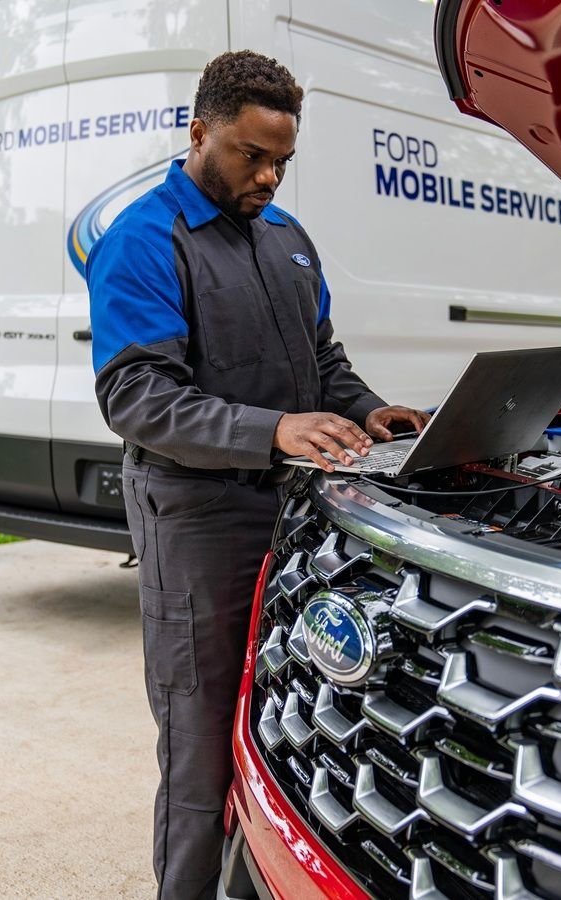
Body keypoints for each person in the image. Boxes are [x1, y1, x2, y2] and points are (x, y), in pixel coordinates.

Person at [85, 50, 428, 900]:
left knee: (290, 724)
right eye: (252, 155)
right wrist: (274, 430)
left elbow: (324, 361)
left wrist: (371, 411)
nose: (270, 176)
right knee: (202, 749)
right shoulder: (143, 239)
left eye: (283, 160)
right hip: (197, 521)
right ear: (200, 132)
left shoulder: (288, 241)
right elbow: (137, 397)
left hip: (298, 515)